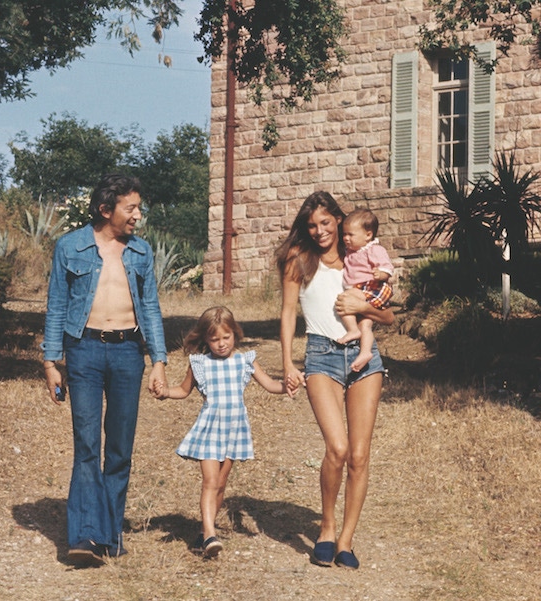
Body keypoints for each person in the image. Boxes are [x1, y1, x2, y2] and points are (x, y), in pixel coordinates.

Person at [42, 173, 168, 567]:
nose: (137, 215)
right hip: (84, 351)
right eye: (130, 208)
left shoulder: (141, 251)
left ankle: (110, 535)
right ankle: (82, 537)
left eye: (138, 208)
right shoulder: (70, 246)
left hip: (128, 352)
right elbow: (57, 305)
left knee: (119, 447)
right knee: (86, 445)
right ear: (105, 209)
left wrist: (158, 361)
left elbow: (150, 308)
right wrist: (50, 360)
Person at [275, 191, 394, 570]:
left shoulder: (357, 258)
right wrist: (288, 364)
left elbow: (389, 317)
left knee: (359, 455)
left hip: (364, 359)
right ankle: (326, 529)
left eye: (326, 223)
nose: (320, 230)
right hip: (321, 356)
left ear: (339, 222)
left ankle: (345, 541)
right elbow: (288, 313)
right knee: (337, 448)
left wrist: (364, 307)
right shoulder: (299, 260)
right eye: (312, 225)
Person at [153, 306, 289, 558]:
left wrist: (290, 385)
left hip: (234, 430)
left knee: (221, 485)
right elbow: (183, 390)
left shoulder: (244, 360)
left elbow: (271, 385)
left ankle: (204, 536)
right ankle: (210, 533)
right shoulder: (200, 364)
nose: (221, 344)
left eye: (226, 337)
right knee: (210, 482)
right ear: (205, 339)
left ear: (235, 334)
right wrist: (164, 393)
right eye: (214, 339)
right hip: (210, 430)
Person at [336, 208, 395, 372]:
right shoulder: (351, 251)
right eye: (344, 234)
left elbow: (388, 267)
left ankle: (352, 330)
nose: (346, 238)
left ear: (368, 235)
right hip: (364, 291)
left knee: (344, 299)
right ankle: (365, 352)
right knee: (366, 325)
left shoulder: (374, 249)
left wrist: (381, 274)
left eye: (351, 235)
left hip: (372, 287)